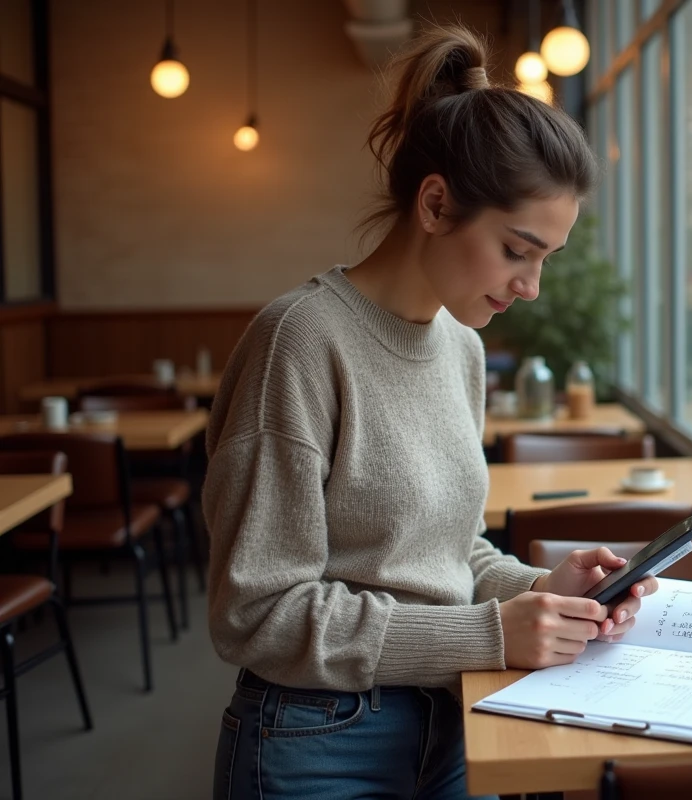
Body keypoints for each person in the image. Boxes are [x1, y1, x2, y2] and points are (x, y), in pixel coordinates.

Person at [205, 25, 658, 800]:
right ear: (437, 203)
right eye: (518, 251)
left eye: (545, 260)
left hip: (453, 723)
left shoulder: (461, 347)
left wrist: (538, 591)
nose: (531, 287)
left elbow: (446, 553)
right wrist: (488, 635)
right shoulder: (301, 342)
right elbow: (255, 612)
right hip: (317, 741)